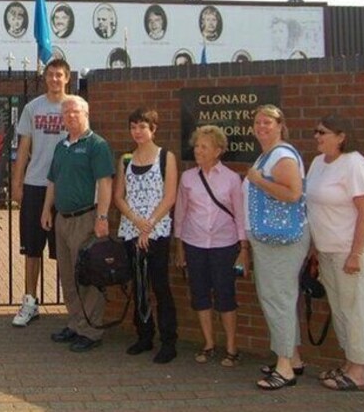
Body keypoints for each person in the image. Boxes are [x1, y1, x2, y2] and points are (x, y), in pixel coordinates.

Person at [305, 115, 364, 391]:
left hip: (352, 249)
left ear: (341, 136)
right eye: (316, 131)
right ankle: (349, 363)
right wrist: (314, 248)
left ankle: (359, 371)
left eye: (322, 132)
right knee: (340, 309)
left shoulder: (355, 164)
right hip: (327, 250)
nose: (317, 136)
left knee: (356, 307)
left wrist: (356, 253)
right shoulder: (317, 163)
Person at [243, 104, 310, 390]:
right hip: (272, 238)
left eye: (267, 122)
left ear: (281, 124)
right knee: (280, 296)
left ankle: (284, 368)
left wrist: (258, 180)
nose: (261, 126)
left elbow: (293, 193)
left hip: (281, 239)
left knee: (277, 297)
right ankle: (292, 357)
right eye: (257, 122)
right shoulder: (268, 155)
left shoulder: (281, 155)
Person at [42, 95, 115, 353]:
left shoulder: (97, 145)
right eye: (66, 113)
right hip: (62, 219)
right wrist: (46, 210)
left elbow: (105, 183)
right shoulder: (61, 146)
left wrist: (102, 217)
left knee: (88, 276)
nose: (70, 117)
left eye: (75, 112)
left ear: (86, 113)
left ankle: (91, 330)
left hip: (86, 219)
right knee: (68, 275)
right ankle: (75, 323)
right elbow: (52, 180)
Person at [174, 125, 248, 367]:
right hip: (195, 244)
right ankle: (208, 344)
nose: (198, 150)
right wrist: (180, 246)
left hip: (224, 246)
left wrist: (243, 249)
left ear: (218, 150)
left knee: (226, 296)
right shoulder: (187, 178)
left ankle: (231, 347)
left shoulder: (231, 179)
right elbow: (181, 213)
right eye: (196, 146)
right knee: (201, 295)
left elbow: (239, 215)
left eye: (204, 147)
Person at [113, 108, 179, 364]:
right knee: (139, 285)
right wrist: (137, 222)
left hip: (157, 231)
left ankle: (169, 341)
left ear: (153, 129)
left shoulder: (166, 157)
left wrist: (149, 225)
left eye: (143, 126)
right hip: (132, 229)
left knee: (159, 285)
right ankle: (144, 335)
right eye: (133, 127)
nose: (137, 132)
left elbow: (170, 195)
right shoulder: (126, 159)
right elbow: (119, 196)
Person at [10, 58, 70, 327]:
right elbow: (23, 148)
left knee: (66, 251)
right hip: (35, 185)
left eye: (59, 75)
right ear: (45, 78)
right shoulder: (33, 108)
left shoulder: (75, 108)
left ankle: (72, 306)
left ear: (67, 78)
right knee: (32, 249)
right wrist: (17, 182)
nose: (55, 79)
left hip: (65, 188)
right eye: (51, 74)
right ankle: (30, 301)